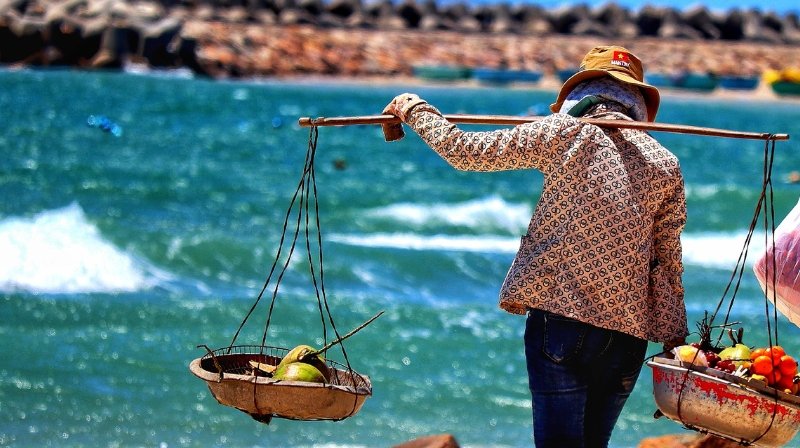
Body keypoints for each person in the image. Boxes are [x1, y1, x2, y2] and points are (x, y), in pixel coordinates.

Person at [382, 45, 689, 447]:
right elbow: (666, 262)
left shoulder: (563, 133)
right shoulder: (665, 163)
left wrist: (413, 107)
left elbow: (467, 154)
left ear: (581, 95)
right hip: (627, 339)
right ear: (638, 107)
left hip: (561, 322)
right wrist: (674, 336)